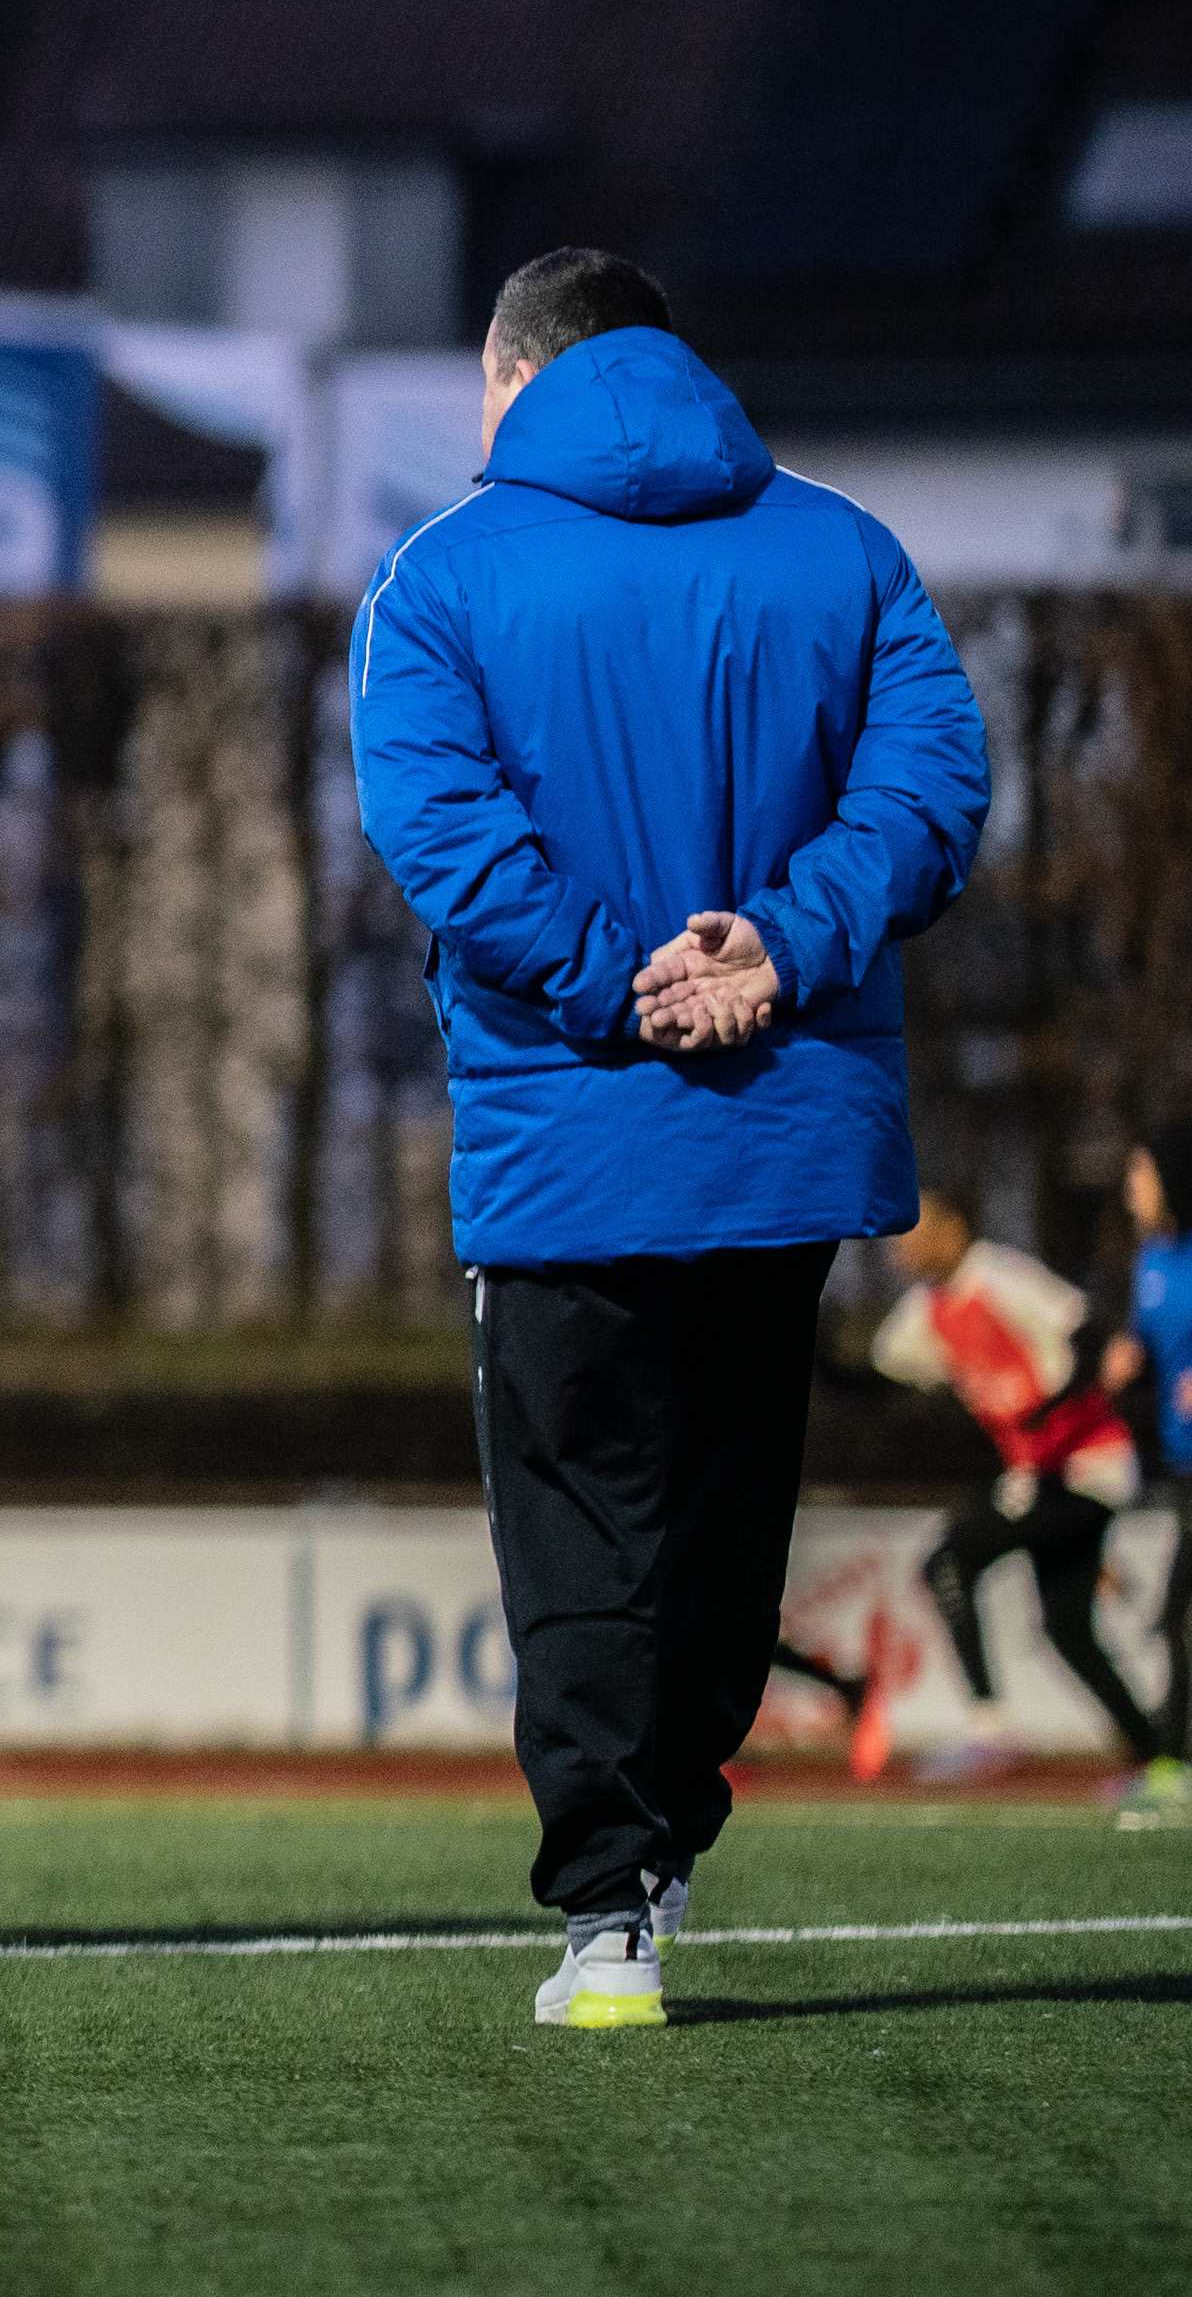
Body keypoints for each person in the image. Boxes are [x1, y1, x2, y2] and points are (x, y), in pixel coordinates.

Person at [348, 250, 985, 2031]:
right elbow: (929, 790)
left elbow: (442, 834)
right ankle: (670, 1827)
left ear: (514, 374)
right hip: (783, 1126)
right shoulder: (845, 549)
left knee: (580, 1522)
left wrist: (620, 984)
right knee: (723, 1506)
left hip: (568, 1130)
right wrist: (775, 945)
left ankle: (608, 1902)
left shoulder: (440, 574)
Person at [859, 1189, 1170, 1795]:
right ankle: (1161, 1758)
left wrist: (1049, 1413)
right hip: (1050, 1478)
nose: (901, 1243)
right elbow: (876, 1369)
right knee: (1067, 1629)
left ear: (953, 1228)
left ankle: (990, 1730)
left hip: (1082, 1466)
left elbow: (1087, 1329)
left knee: (948, 1560)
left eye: (914, 1228)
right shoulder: (928, 1310)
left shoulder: (1000, 1277)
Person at [1116, 1136, 1192, 1829]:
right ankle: (1172, 1763)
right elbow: (1150, 1340)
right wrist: (1128, 1358)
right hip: (1183, 1464)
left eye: (1139, 1175)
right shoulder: (1150, 1262)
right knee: (1175, 1617)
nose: (1129, 1188)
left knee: (1178, 1615)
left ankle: (1174, 1764)